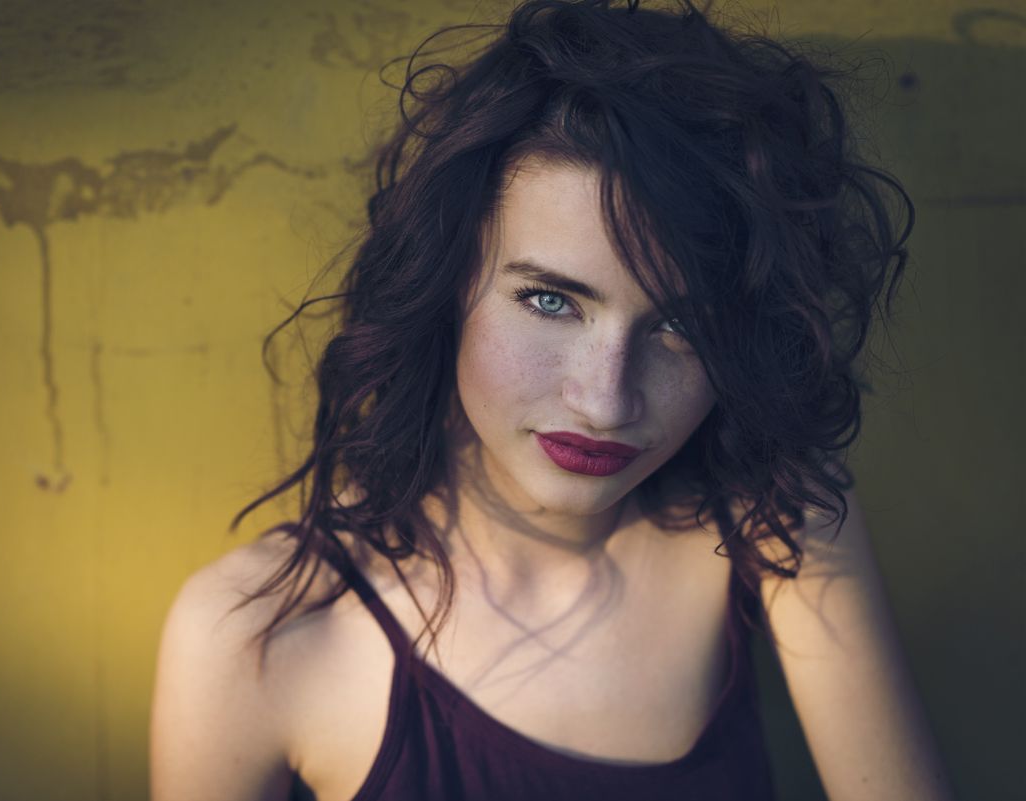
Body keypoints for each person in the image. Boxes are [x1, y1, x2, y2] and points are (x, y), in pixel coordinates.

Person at [150, 1, 956, 799]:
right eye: (550, 300)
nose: (606, 402)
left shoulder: (773, 521)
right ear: (448, 281)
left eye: (682, 325)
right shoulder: (262, 633)